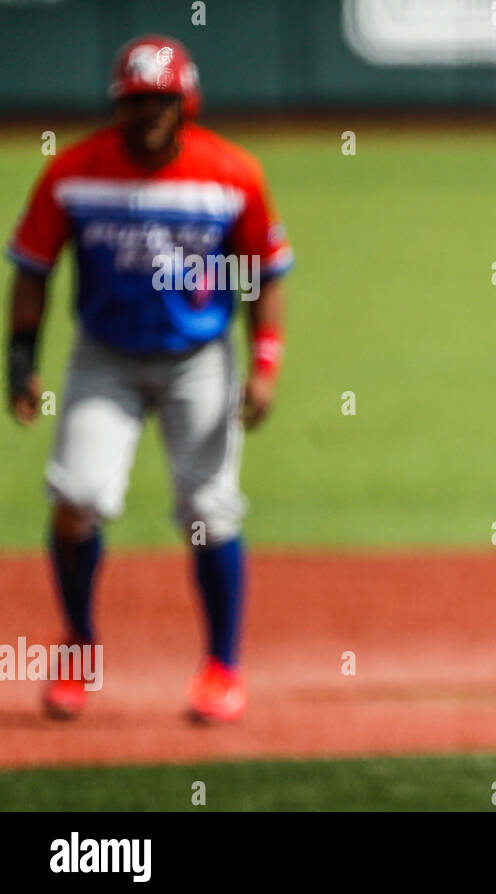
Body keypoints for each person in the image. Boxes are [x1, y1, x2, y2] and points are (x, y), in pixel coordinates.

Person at [5, 34, 293, 723]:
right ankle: (78, 648)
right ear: (118, 106)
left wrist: (264, 364)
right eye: (136, 101)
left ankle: (222, 666)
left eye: (161, 99)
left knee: (209, 513)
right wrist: (21, 359)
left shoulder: (231, 174)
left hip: (199, 359)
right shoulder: (74, 172)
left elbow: (262, 272)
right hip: (105, 357)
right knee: (75, 500)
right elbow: (33, 269)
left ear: (186, 100)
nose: (149, 113)